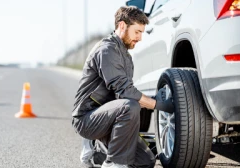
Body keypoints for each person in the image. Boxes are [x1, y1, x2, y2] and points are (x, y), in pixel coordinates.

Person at [72, 6, 174, 168]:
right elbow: (125, 91)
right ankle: (114, 163)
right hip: (87, 119)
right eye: (137, 32)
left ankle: (96, 154)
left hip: (109, 117)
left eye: (141, 32)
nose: (140, 38)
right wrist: (157, 104)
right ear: (122, 26)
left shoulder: (126, 56)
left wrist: (153, 100)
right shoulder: (107, 50)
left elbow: (125, 95)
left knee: (146, 162)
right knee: (129, 106)